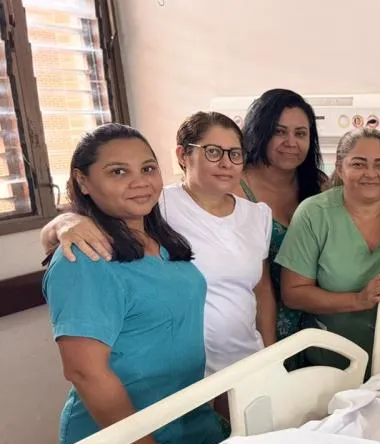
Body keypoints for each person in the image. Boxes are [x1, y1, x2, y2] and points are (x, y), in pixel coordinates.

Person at [42, 123, 226, 444]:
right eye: (118, 172)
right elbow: (85, 371)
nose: (140, 182)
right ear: (83, 181)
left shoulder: (161, 241)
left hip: (186, 421)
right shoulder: (85, 258)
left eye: (147, 168)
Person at [40, 112, 276, 380]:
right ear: (183, 155)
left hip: (248, 360)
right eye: (213, 152)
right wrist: (64, 222)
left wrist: (271, 354)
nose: (226, 163)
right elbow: (66, 231)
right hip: (191, 374)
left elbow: (262, 289)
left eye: (235, 154)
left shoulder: (257, 215)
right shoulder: (155, 203)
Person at [276, 127, 380, 378]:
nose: (371, 174)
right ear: (340, 168)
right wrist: (359, 300)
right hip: (331, 362)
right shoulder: (315, 214)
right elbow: (293, 294)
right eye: (358, 164)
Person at [238, 88, 328, 344]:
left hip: (314, 326)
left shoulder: (319, 186)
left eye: (300, 133)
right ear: (259, 132)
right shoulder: (235, 190)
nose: (291, 142)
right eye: (279, 132)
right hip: (255, 331)